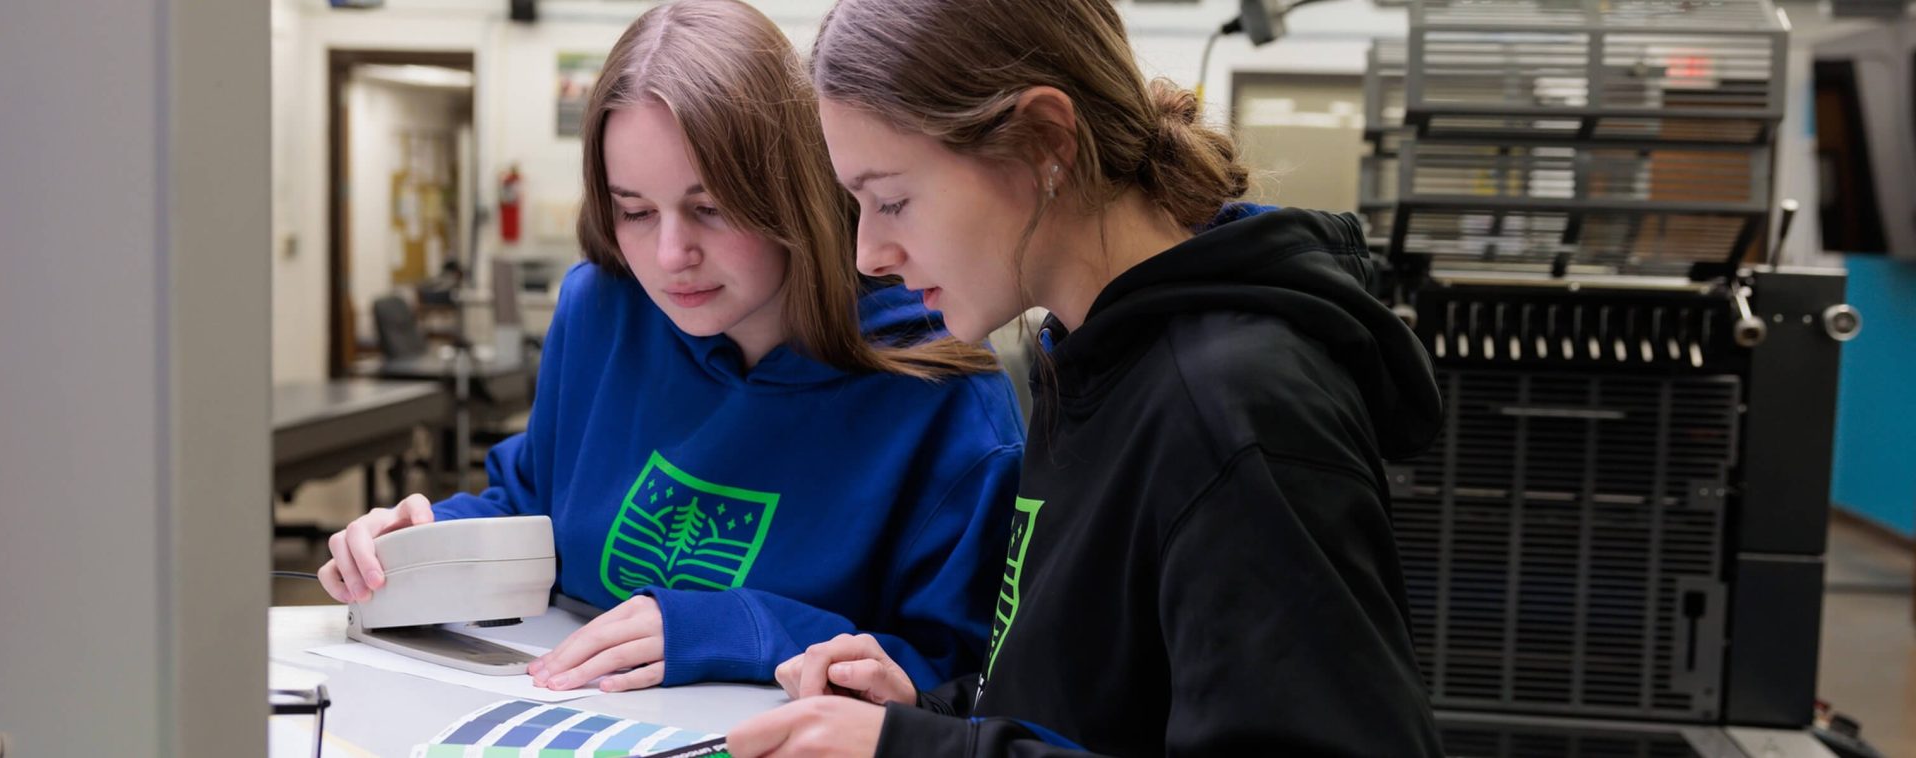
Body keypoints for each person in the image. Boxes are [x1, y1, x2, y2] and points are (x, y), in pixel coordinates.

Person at [727, 0, 1446, 754]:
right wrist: (930, 712)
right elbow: (1101, 701)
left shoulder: (1232, 412)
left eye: (894, 200)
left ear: (1044, 142)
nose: (868, 252)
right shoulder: (1086, 351)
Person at [317, 0, 1024, 696]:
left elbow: (962, 682)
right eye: (634, 210)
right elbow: (531, 507)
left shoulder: (941, 386)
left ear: (792, 189)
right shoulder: (599, 308)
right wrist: (426, 540)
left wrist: (743, 626)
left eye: (711, 208)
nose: (668, 255)